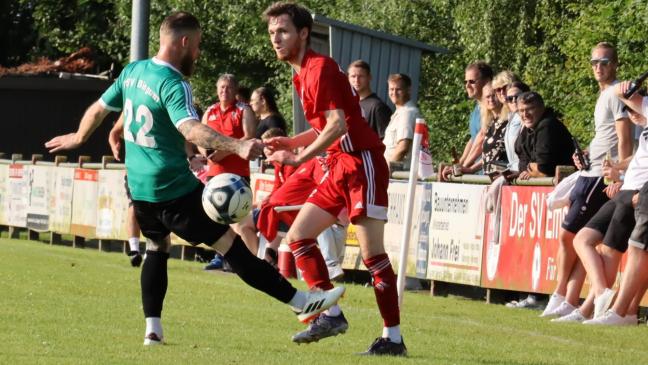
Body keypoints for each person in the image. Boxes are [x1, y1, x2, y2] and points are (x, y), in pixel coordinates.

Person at [44, 11, 344, 346]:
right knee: (232, 247)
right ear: (184, 42)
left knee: (157, 247)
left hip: (141, 191)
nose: (199, 54)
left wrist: (80, 137)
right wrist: (238, 146)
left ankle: (152, 331)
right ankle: (301, 303)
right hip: (173, 189)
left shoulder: (134, 71)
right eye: (198, 46)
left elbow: (102, 107)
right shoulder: (175, 84)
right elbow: (190, 128)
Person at [263, 2, 405, 355]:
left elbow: (338, 125)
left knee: (373, 258)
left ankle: (393, 338)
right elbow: (324, 128)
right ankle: (332, 314)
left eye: (282, 31)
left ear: (303, 34)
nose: (275, 39)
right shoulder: (302, 73)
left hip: (362, 163)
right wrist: (292, 141)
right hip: (340, 165)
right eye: (271, 33)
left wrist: (297, 157)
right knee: (298, 236)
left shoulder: (319, 68)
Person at [544, 42, 633, 321]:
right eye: (594, 62)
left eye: (604, 62)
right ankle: (577, 300)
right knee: (582, 239)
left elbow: (624, 138)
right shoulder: (605, 94)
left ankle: (572, 298)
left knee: (576, 237)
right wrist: (584, 153)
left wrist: (620, 174)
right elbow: (605, 135)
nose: (598, 67)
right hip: (594, 171)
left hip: (604, 177)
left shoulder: (617, 94)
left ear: (615, 64)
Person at [579, 103, 648, 325]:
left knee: (634, 250)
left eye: (636, 107)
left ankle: (618, 311)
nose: (632, 114)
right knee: (585, 240)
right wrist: (618, 169)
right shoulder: (645, 131)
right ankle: (602, 302)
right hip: (627, 189)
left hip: (637, 192)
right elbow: (639, 158)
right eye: (628, 110)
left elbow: (621, 93)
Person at [201, 74, 258, 265]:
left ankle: (248, 259)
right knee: (216, 220)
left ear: (235, 90)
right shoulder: (210, 111)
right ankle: (221, 257)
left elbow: (249, 137)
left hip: (237, 175)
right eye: (222, 87)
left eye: (229, 87)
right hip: (214, 174)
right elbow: (199, 137)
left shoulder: (244, 110)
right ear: (217, 90)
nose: (224, 91)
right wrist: (206, 153)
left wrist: (223, 152)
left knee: (239, 221)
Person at [441, 61, 493, 180]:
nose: (467, 85)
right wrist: (459, 163)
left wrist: (464, 167)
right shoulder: (477, 108)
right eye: (466, 81)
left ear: (487, 81)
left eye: (472, 81)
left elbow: (481, 140)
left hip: (487, 173)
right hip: (477, 173)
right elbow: (473, 139)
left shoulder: (491, 107)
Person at [107, 114, 142, 267]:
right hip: (134, 173)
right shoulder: (130, 105)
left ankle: (156, 251)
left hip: (159, 172)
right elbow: (114, 132)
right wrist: (114, 145)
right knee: (133, 206)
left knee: (159, 211)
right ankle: (134, 249)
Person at [514, 92, 574, 180]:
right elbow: (522, 163)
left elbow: (544, 168)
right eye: (521, 111)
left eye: (530, 109)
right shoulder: (528, 128)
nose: (525, 114)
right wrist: (530, 168)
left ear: (542, 108)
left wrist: (533, 169)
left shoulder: (547, 125)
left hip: (562, 183)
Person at [456, 82, 507, 175]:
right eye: (487, 97)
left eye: (494, 95)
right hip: (490, 176)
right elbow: (488, 156)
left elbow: (502, 157)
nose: (491, 99)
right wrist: (468, 168)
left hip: (504, 177)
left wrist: (466, 166)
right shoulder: (491, 123)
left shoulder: (507, 121)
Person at [382, 73, 422, 168]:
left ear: (408, 90)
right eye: (391, 89)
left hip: (398, 175)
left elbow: (402, 147)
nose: (394, 93)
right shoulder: (400, 113)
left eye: (398, 89)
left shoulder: (407, 113)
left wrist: (384, 170)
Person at [347, 59, 392, 139]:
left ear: (369, 77)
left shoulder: (378, 107)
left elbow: (386, 142)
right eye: (353, 76)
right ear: (348, 79)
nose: (356, 80)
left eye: (361, 76)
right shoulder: (349, 105)